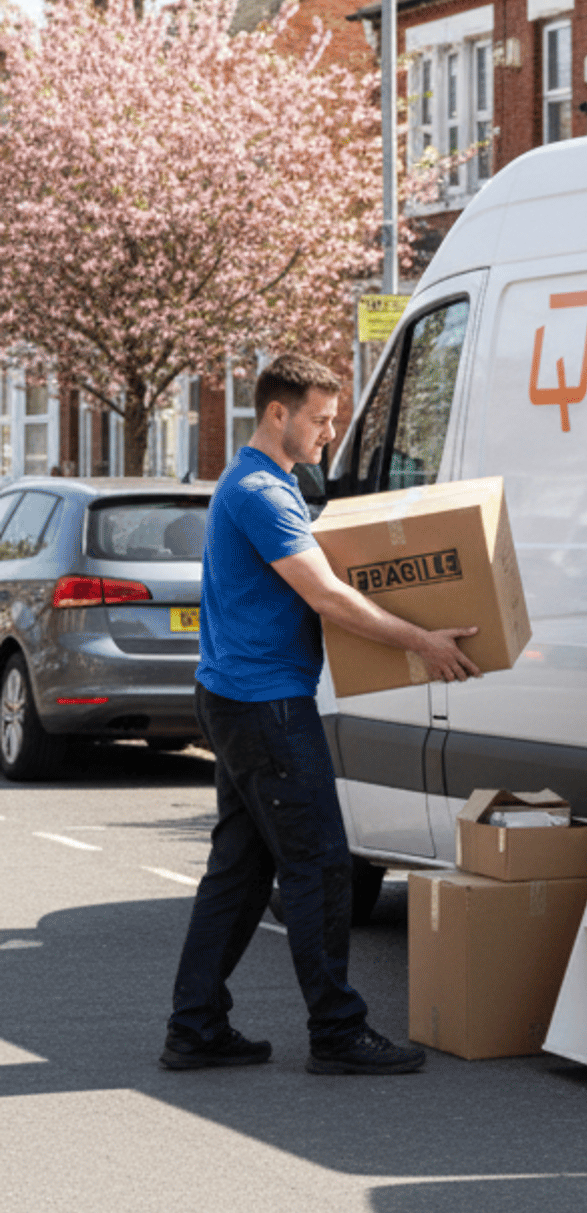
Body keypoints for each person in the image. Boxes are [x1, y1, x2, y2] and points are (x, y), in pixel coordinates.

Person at [162, 353, 481, 1076]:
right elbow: (328, 597)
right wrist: (421, 642)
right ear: (278, 413)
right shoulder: (260, 494)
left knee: (240, 871)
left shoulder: (264, 485)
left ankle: (196, 1024)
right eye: (321, 418)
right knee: (321, 864)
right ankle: (336, 1030)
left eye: (334, 420)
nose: (330, 434)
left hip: (237, 697)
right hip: (265, 705)